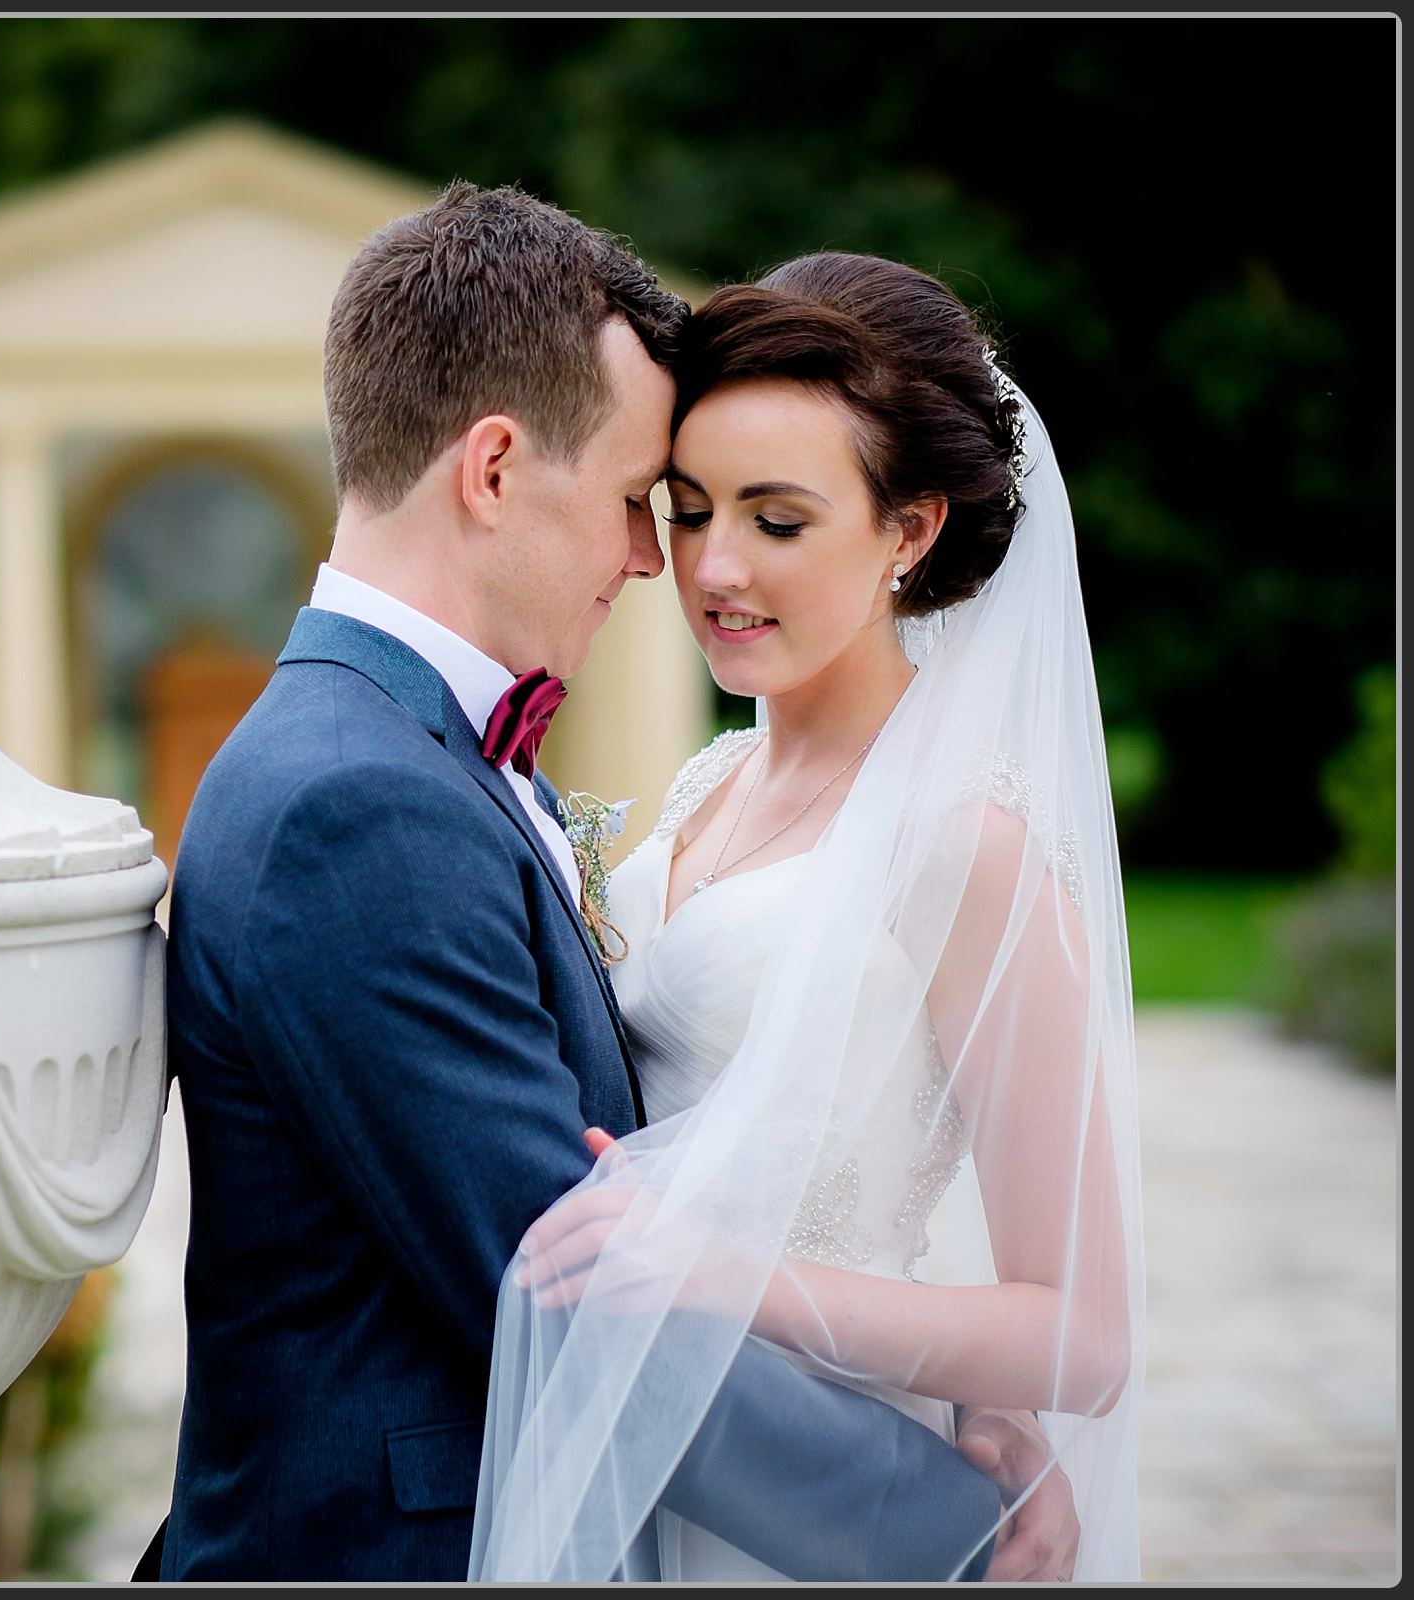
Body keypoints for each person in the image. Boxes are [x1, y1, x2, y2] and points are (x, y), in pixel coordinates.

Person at [137, 187, 1070, 1582]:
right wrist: (954, 1527)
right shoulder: (359, 801)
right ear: (495, 469)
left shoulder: (409, 751)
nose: (661, 562)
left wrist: (966, 1377)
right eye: (647, 502)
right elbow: (565, 1283)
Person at [470, 253, 1142, 1581]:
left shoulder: (965, 845)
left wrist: (722, 1278)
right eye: (693, 506)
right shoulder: (711, 783)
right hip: (652, 1456)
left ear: (910, 530)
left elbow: (1086, 1339)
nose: (714, 566)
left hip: (817, 1492)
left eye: (779, 520)